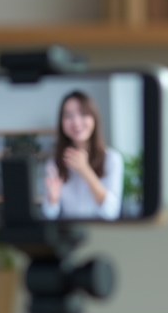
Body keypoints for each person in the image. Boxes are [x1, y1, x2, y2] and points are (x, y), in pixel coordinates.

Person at [42, 90, 123, 221]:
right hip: (68, 231)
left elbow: (111, 213)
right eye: (68, 116)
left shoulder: (112, 158)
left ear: (94, 118)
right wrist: (53, 198)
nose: (76, 122)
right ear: (61, 122)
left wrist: (85, 170)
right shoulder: (54, 162)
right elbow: (49, 215)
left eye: (83, 113)